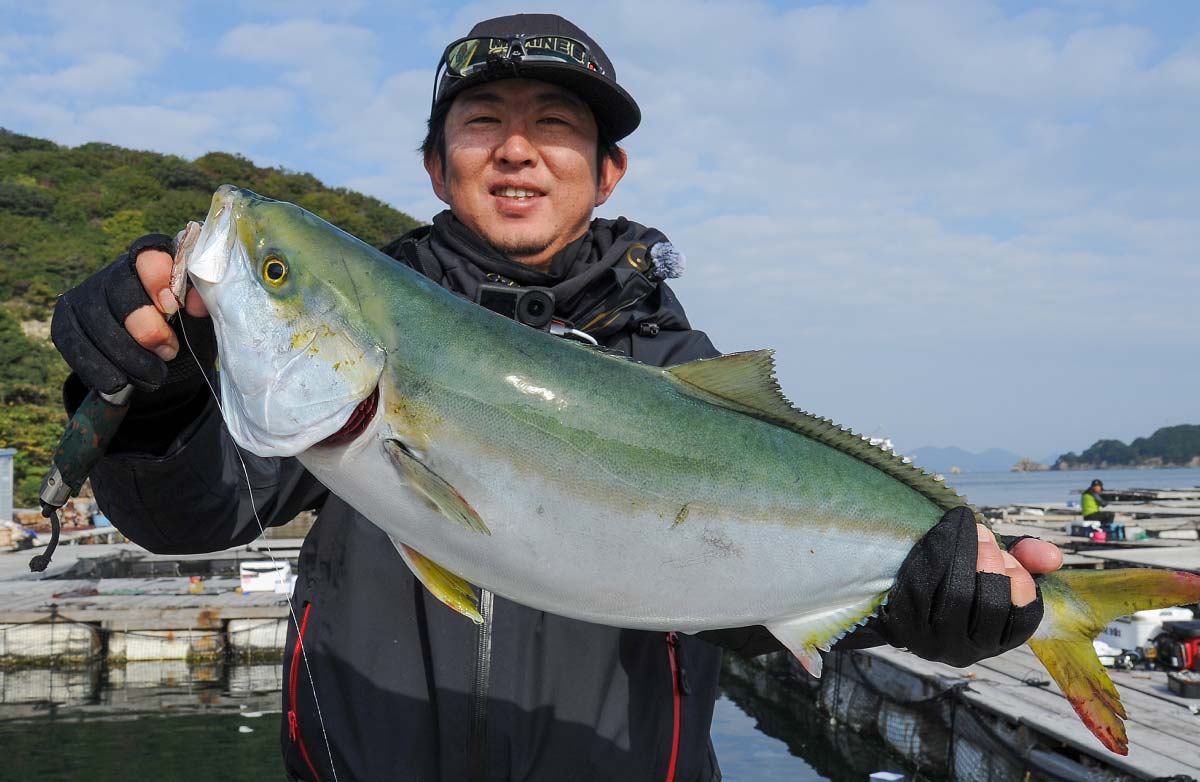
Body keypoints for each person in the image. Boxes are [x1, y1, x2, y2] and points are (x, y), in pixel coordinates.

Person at [50, 14, 1063, 781]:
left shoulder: (678, 365)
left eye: (555, 127)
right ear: (436, 166)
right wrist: (154, 398)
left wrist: (909, 602)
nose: (518, 147)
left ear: (608, 170)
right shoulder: (363, 340)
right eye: (483, 122)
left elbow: (742, 606)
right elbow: (196, 512)